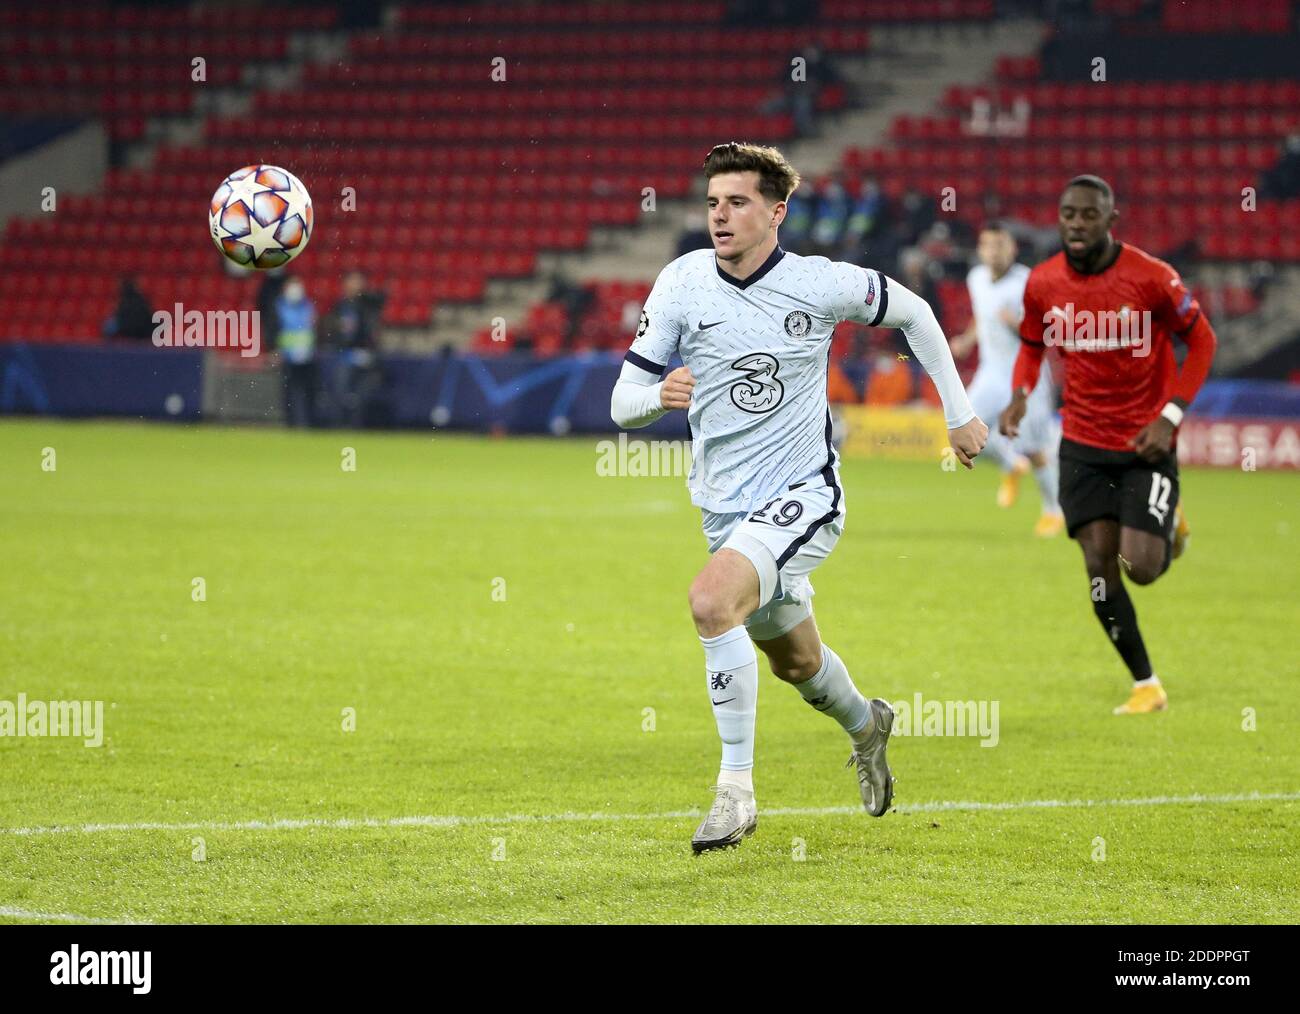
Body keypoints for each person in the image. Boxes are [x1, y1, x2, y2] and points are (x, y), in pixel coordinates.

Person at [610, 142, 987, 853]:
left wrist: (958, 411)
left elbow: (916, 314)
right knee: (797, 665)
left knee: (710, 600)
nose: (720, 216)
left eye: (738, 202)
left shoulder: (820, 284)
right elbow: (621, 400)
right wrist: (657, 395)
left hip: (804, 493)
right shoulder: (682, 283)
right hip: (725, 509)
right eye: (713, 202)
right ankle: (867, 725)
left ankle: (735, 792)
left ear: (776, 212)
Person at [1000, 176, 1217, 715]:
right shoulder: (1044, 283)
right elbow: (1030, 345)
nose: (1076, 223)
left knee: (1140, 567)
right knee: (1100, 568)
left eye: (1088, 215)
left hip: (1146, 444)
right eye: (1068, 213)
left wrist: (1170, 417)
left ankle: (1172, 522)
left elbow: (1204, 339)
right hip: (1082, 445)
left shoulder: (1152, 279)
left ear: (1110, 220)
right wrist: (1020, 394)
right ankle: (1146, 683)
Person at [950, 224, 1064, 535]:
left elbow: (1047, 332)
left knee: (1035, 448)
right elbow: (982, 315)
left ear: (1013, 249)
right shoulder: (976, 280)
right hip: (991, 372)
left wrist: (1016, 325)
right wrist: (968, 339)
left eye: (1001, 245)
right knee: (960, 427)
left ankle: (1053, 511)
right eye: (988, 245)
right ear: (980, 250)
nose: (994, 251)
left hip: (1027, 377)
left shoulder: (1028, 282)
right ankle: (1010, 464)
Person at [327, 270, 384, 427]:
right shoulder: (340, 306)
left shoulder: (366, 305)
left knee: (360, 397)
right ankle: (339, 427)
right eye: (353, 281)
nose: (356, 285)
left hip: (363, 355)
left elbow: (380, 300)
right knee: (341, 394)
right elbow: (333, 330)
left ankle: (356, 427)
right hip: (344, 356)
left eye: (359, 282)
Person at [276, 276, 317, 427]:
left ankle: (305, 422)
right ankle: (291, 422)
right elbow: (276, 330)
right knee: (290, 391)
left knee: (306, 391)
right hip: (287, 356)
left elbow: (311, 328)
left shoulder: (308, 306)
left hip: (307, 356)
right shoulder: (279, 306)